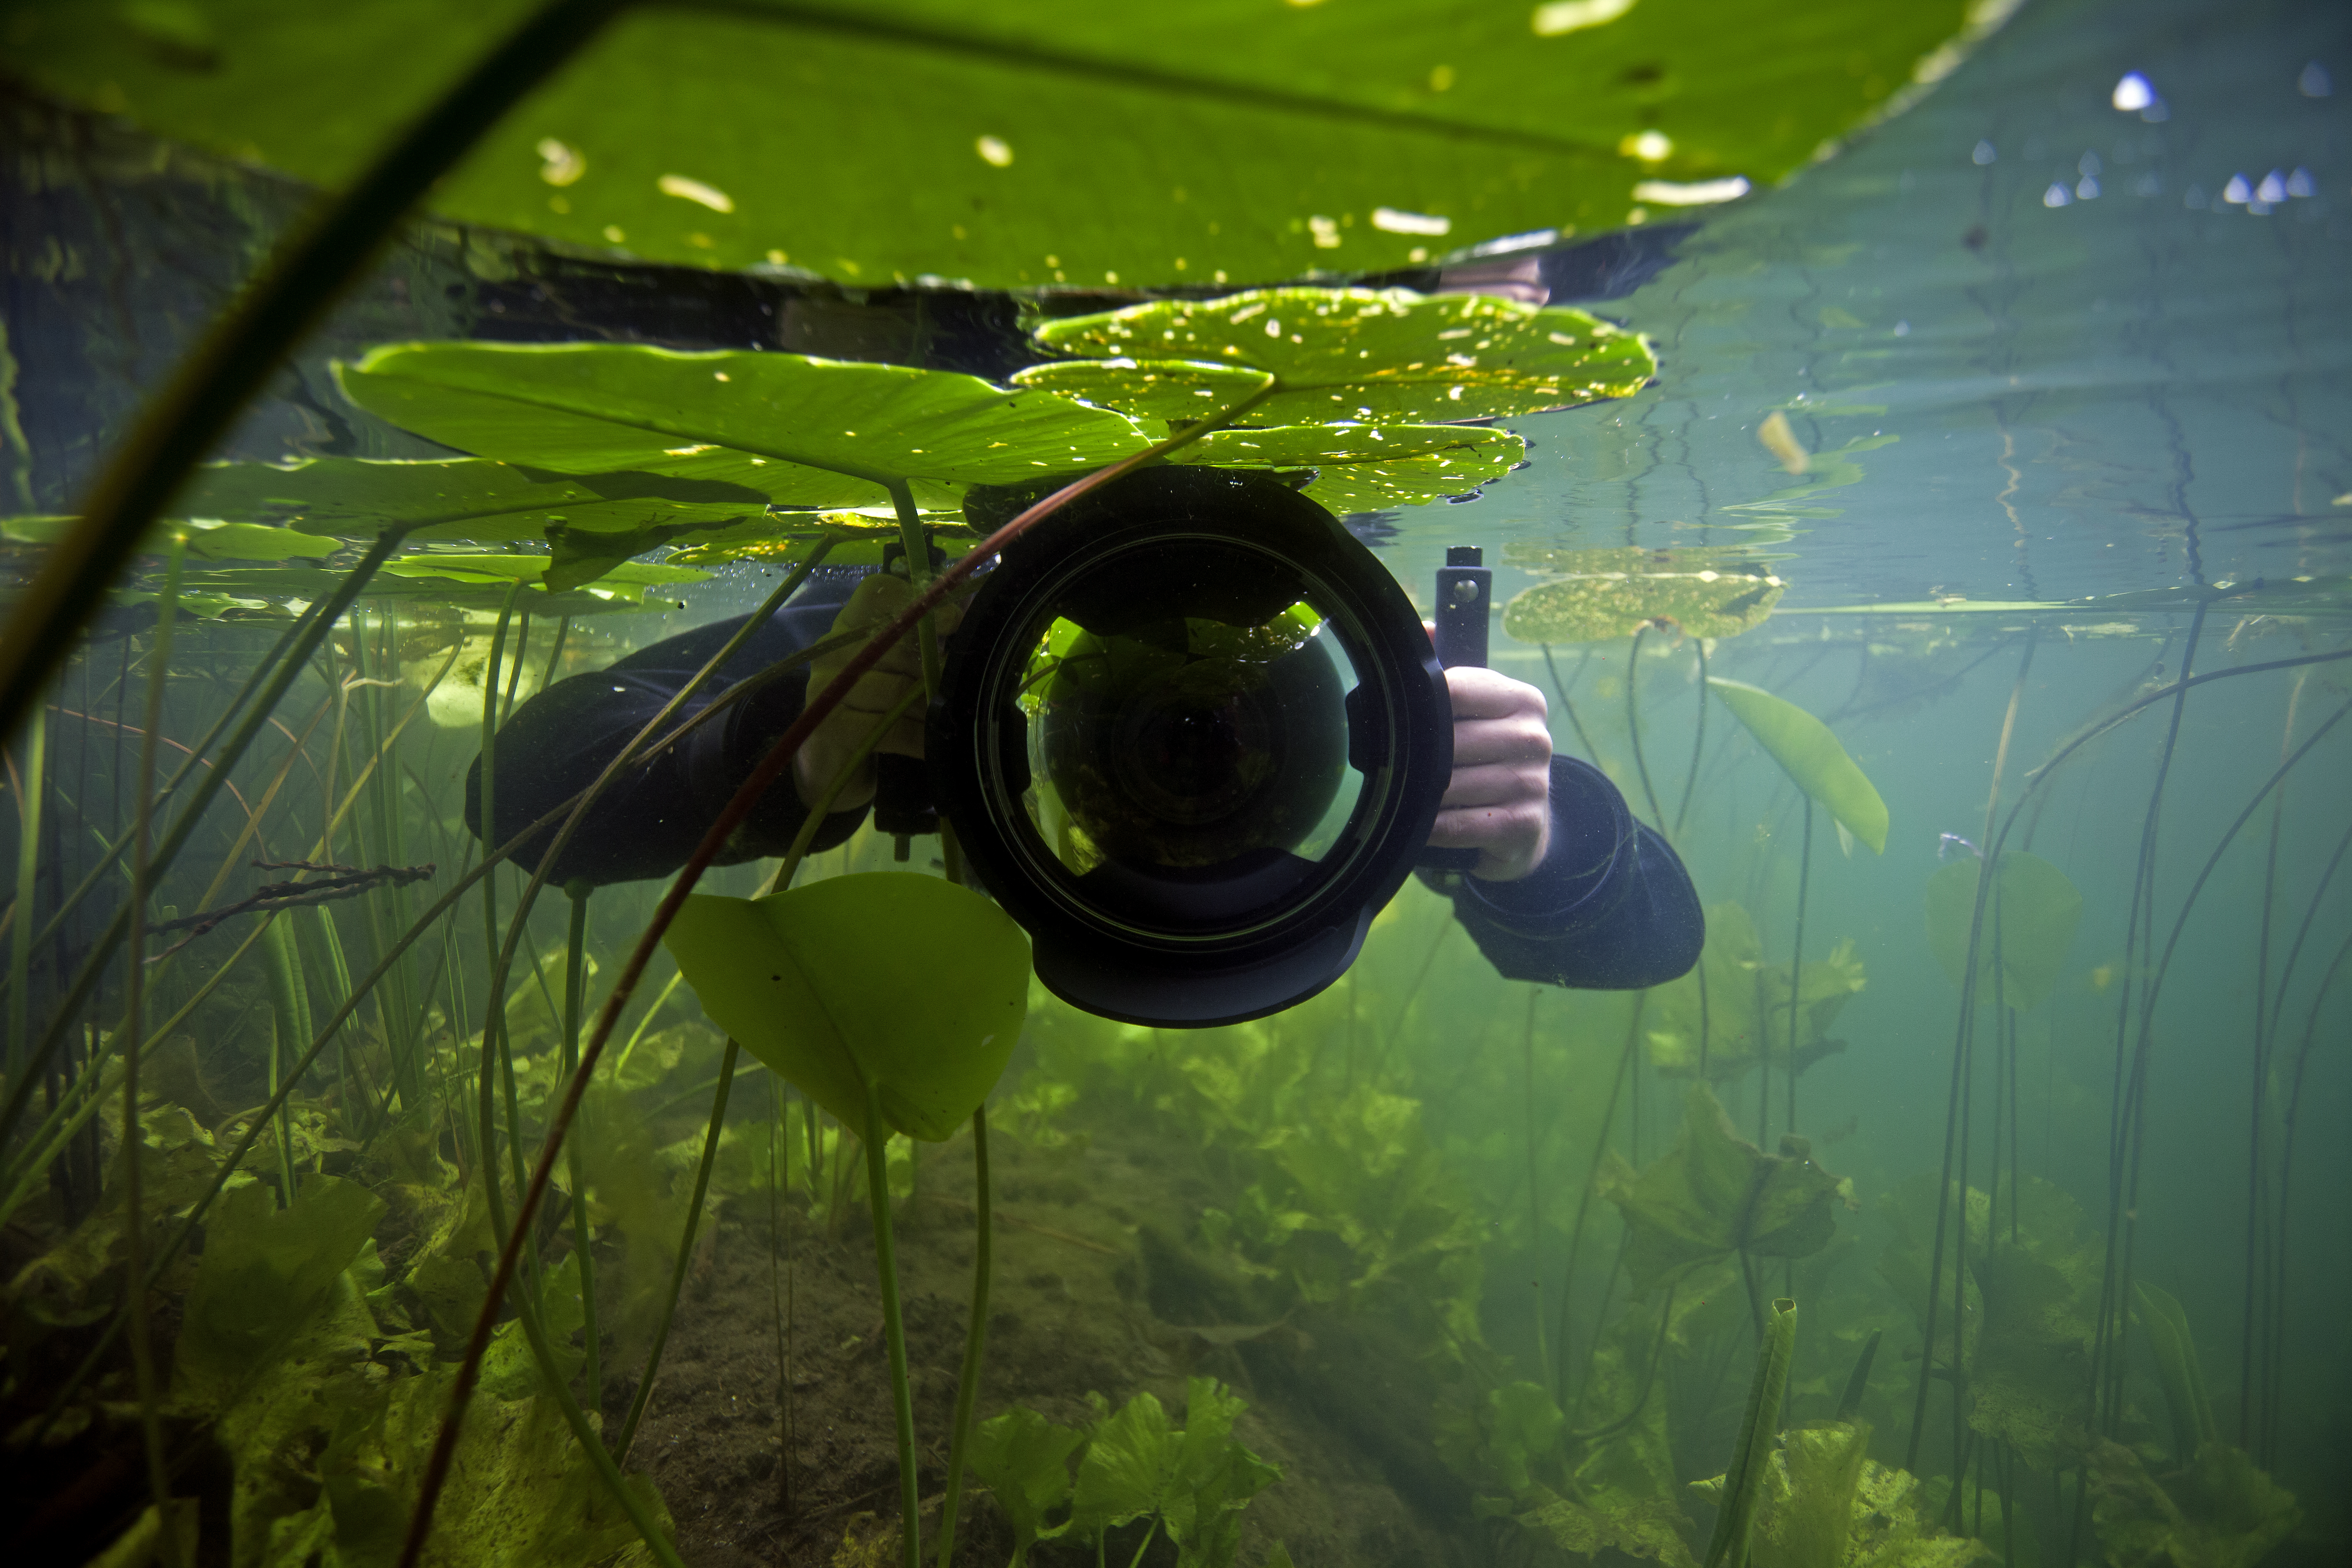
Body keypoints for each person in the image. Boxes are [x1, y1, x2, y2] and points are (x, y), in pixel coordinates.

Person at [467, 568, 1703, 995]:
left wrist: (1541, 836)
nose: (1190, 752)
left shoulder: (973, 622)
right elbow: (523, 796)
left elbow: (1651, 941)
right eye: (1109, 710)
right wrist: (796, 740)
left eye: (1234, 718)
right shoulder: (951, 620)